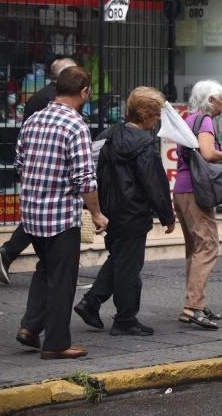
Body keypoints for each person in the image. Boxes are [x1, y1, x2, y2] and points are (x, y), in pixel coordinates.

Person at [14, 65, 109, 359]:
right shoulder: (75, 124)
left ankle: (30, 327)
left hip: (32, 215)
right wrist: (96, 213)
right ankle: (56, 344)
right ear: (84, 92)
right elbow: (84, 178)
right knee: (63, 279)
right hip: (60, 217)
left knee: (45, 270)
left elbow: (19, 164)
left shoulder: (33, 121)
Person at [73, 87, 176, 336]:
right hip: (133, 212)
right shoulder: (145, 144)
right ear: (148, 116)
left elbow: (92, 169)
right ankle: (126, 319)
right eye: (157, 114)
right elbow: (155, 182)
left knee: (120, 258)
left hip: (109, 209)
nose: (159, 120)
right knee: (129, 267)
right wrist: (167, 215)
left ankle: (91, 302)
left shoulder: (108, 134)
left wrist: (94, 206)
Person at [0, 57, 77, 285]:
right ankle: (9, 251)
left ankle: (9, 252)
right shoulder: (55, 101)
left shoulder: (39, 96)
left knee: (37, 215)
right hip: (51, 172)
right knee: (45, 219)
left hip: (34, 169)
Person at [173, 79, 222, 330]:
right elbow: (208, 153)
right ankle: (193, 307)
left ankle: (193, 303)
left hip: (182, 189)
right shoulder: (206, 120)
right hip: (196, 190)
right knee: (208, 245)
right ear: (211, 100)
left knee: (195, 248)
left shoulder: (189, 119)